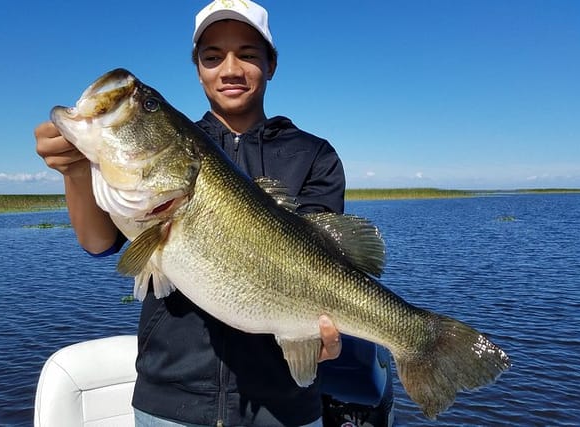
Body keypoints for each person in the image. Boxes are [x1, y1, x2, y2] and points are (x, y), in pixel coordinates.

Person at [35, 1, 385, 426]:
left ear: (271, 65)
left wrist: (320, 336)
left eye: (249, 54)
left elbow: (329, 260)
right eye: (213, 56)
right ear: (198, 68)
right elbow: (98, 243)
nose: (231, 68)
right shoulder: (183, 148)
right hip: (168, 400)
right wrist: (74, 169)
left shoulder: (313, 155)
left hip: (284, 408)